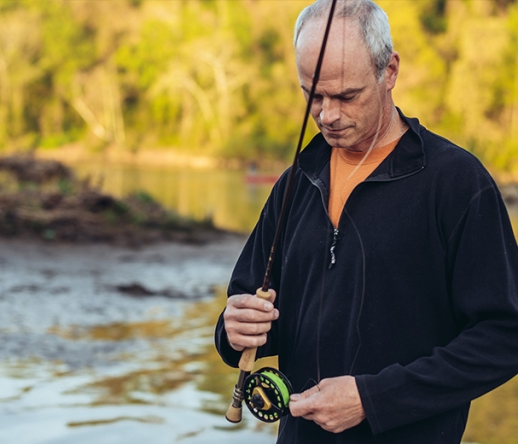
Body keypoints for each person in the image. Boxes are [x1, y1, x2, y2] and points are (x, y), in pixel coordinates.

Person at [214, 0, 518, 442]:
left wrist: (374, 399)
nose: (327, 115)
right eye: (312, 95)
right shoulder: (294, 183)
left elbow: (505, 336)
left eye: (346, 96)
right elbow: (249, 313)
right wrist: (234, 328)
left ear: (389, 71)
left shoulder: (457, 182)